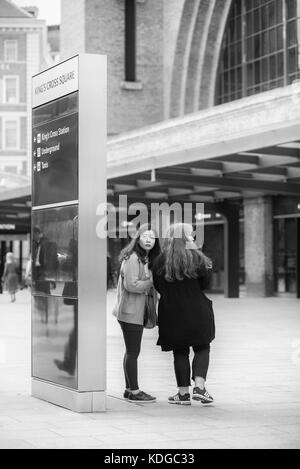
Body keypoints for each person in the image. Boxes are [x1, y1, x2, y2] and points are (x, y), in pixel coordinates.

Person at [152, 223, 215, 406]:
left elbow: (158, 286)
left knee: (180, 351)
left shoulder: (159, 260)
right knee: (202, 347)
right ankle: (200, 387)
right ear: (188, 237)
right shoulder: (197, 257)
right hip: (197, 310)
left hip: (171, 312)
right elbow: (205, 284)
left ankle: (183, 394)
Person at [113, 223, 161, 403]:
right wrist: (150, 282)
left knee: (131, 351)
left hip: (134, 311)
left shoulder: (145, 258)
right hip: (130, 311)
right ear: (138, 238)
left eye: (152, 237)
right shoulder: (133, 258)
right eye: (145, 236)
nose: (148, 240)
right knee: (133, 352)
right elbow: (131, 285)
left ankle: (128, 389)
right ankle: (135, 391)